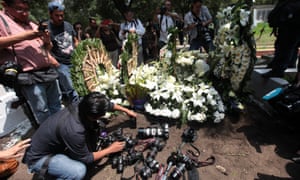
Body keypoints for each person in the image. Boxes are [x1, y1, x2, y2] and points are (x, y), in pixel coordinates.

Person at [22, 92, 137, 179]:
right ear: (94, 116)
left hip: (49, 144)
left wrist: (127, 111)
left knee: (95, 132)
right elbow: (86, 158)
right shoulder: (75, 130)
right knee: (79, 171)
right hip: (38, 158)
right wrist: (110, 149)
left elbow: (108, 106)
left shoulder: (83, 104)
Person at [0, 0, 61, 124]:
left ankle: (62, 131)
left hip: (47, 72)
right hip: (29, 76)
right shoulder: (2, 20)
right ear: (6, 6)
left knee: (56, 106)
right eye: (19, 9)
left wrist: (47, 40)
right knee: (42, 111)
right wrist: (26, 36)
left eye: (26, 10)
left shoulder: (30, 23)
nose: (24, 13)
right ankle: (52, 139)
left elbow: (46, 48)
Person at [47, 1, 79, 105]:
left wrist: (80, 51)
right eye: (57, 15)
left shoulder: (68, 25)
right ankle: (77, 109)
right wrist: (54, 62)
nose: (60, 18)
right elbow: (44, 48)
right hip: (61, 64)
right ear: (50, 14)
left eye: (62, 15)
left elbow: (75, 40)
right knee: (71, 88)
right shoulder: (47, 29)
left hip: (74, 60)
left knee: (80, 84)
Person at [263, 0, 300, 78]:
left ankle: (278, 69)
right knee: (287, 46)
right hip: (289, 22)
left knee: (285, 46)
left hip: (292, 23)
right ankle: (286, 64)